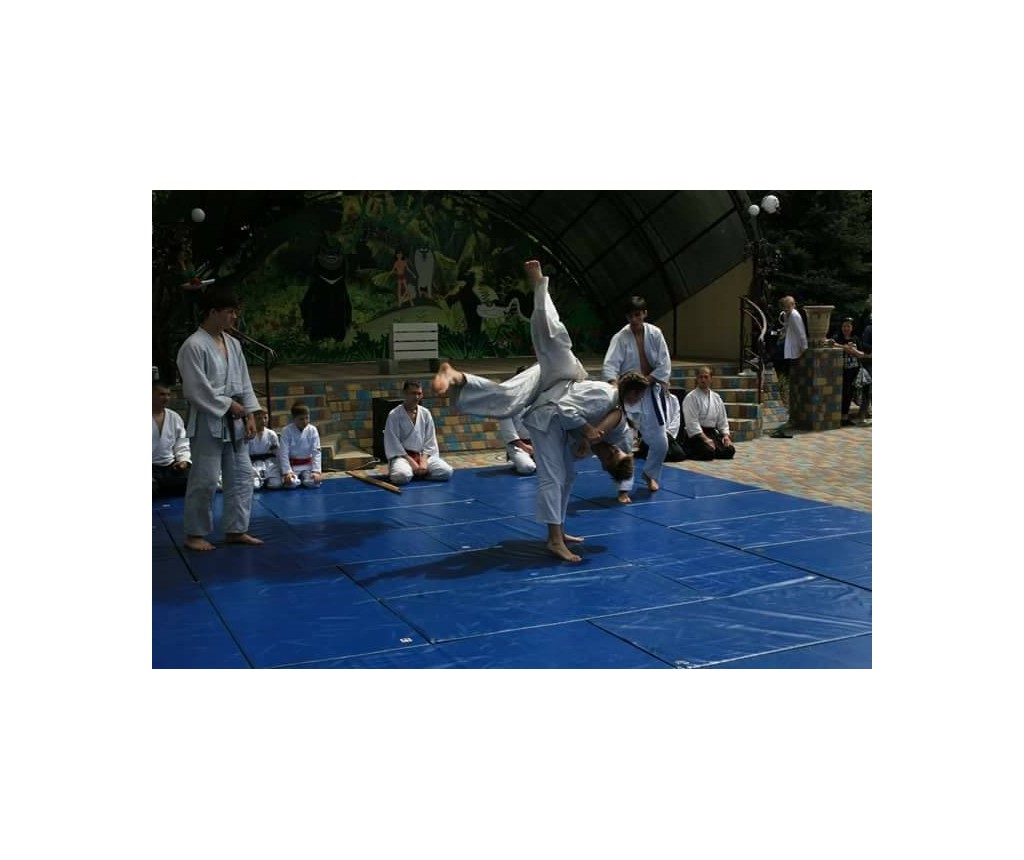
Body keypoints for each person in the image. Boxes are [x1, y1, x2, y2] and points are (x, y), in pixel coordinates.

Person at [432, 260, 642, 562]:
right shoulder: (614, 417)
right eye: (616, 452)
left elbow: (576, 430)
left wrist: (586, 440)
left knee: (556, 468)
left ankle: (557, 533)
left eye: (610, 457)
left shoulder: (590, 448)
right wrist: (588, 431)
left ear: (605, 464)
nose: (611, 451)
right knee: (555, 341)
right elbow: (584, 412)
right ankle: (539, 285)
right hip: (565, 379)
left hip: (549, 399)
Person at [176, 285, 263, 551]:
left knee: (241, 477)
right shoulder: (193, 346)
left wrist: (250, 412)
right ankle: (195, 534)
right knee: (205, 479)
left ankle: (237, 529)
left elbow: (244, 382)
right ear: (213, 312)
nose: (234, 317)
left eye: (235, 312)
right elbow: (195, 389)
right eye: (230, 312)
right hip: (208, 420)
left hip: (236, 421)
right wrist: (228, 405)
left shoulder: (233, 344)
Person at [602, 295, 672, 492]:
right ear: (627, 317)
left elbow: (664, 364)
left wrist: (645, 381)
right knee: (625, 440)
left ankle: (650, 474)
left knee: (661, 442)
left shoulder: (655, 334)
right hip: (628, 394)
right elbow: (610, 366)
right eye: (631, 316)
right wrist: (615, 388)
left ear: (645, 314)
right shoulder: (620, 337)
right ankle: (623, 487)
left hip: (649, 392)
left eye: (638, 315)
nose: (634, 320)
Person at [383, 381, 453, 485]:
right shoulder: (394, 414)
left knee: (446, 471)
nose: (416, 397)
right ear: (405, 394)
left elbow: (430, 440)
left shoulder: (425, 413)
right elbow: (392, 442)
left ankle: (421, 474)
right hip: (403, 457)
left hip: (423, 456)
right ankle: (412, 472)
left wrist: (423, 461)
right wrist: (411, 462)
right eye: (413, 393)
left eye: (419, 394)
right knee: (400, 476)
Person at [770, 295, 808, 438]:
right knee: (784, 379)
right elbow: (787, 329)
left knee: (786, 381)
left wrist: (803, 348)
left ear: (793, 305)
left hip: (790, 351)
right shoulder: (788, 315)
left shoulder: (795, 316)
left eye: (788, 306)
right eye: (784, 306)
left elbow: (800, 332)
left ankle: (788, 416)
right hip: (786, 351)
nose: (786, 308)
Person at [681, 367, 736, 460]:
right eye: (701, 377)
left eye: (706, 377)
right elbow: (692, 422)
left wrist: (726, 436)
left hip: (711, 433)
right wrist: (705, 439)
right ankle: (689, 450)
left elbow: (722, 420)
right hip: (697, 435)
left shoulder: (716, 397)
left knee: (729, 450)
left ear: (711, 379)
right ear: (697, 379)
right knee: (708, 452)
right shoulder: (691, 397)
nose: (703, 380)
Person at [152, 380, 191, 497]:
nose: (166, 398)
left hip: (169, 466)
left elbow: (182, 442)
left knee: (190, 483)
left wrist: (183, 460)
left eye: (168, 394)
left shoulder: (174, 417)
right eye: (161, 394)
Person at [497, 365, 536, 475]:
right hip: (518, 445)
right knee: (527, 467)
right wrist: (525, 447)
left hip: (538, 442)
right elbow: (508, 432)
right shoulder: (506, 402)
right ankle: (524, 460)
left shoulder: (539, 397)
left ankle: (537, 459)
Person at [279, 401, 323, 488]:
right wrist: (287, 472)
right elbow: (283, 453)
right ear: (294, 418)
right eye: (301, 419)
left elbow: (316, 451)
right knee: (291, 484)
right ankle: (296, 480)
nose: (305, 421)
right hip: (293, 466)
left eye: (307, 418)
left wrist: (316, 471)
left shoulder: (312, 430)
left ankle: (304, 480)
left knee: (315, 483)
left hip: (308, 466)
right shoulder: (286, 431)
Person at [834, 317, 868, 426]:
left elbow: (862, 354)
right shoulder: (837, 338)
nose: (846, 328)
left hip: (854, 371)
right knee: (844, 394)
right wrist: (844, 347)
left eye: (848, 326)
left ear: (852, 327)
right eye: (844, 326)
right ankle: (841, 417)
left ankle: (845, 417)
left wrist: (854, 350)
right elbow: (830, 343)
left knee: (850, 394)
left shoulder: (856, 339)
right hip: (841, 372)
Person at [248, 406, 282, 490]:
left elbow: (278, 454)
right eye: (259, 418)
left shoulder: (271, 434)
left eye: (265, 418)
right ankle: (259, 481)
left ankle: (266, 480)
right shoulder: (248, 434)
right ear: (253, 419)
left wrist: (282, 470)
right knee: (255, 486)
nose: (263, 421)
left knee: (276, 485)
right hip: (253, 464)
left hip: (268, 464)